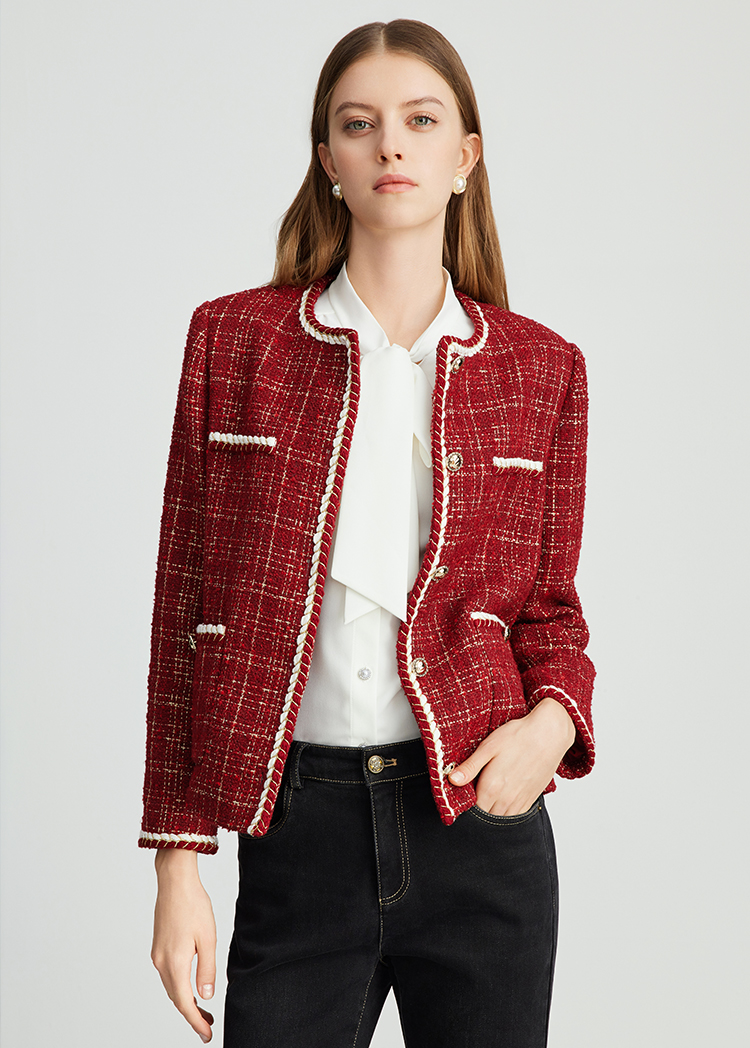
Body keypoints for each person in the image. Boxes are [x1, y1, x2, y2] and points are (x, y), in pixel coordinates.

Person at [139, 18, 596, 1048]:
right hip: (298, 831)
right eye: (360, 124)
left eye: (420, 121)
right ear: (328, 161)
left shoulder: (542, 368)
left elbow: (552, 614)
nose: (391, 144)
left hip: (479, 832)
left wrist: (552, 726)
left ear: (465, 157)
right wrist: (177, 861)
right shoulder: (235, 341)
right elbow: (187, 608)